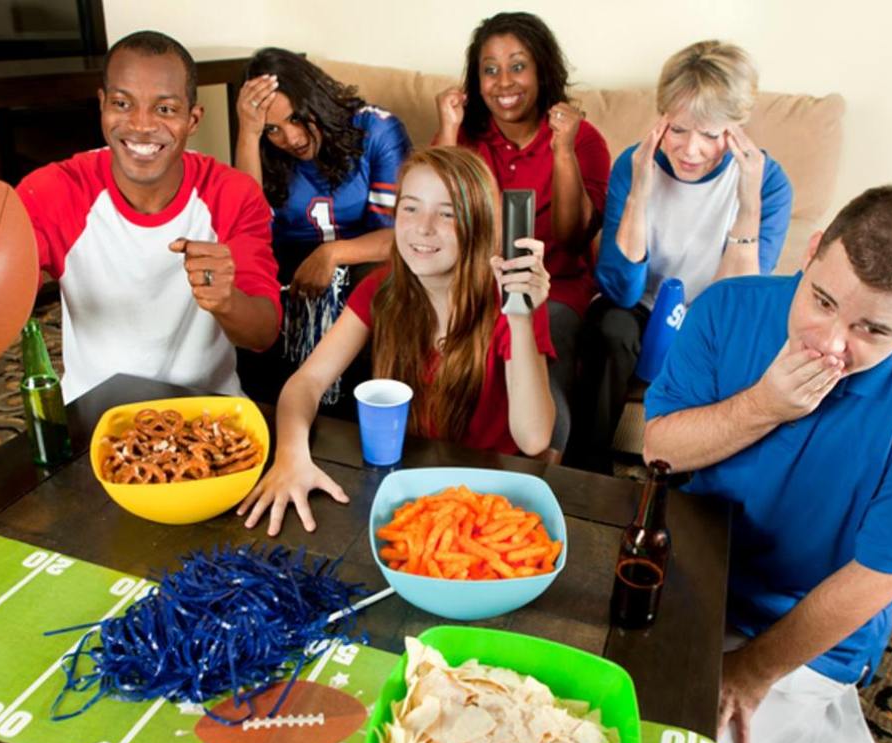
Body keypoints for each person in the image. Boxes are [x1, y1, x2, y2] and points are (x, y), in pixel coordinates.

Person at [643, 185, 892, 743]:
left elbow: (884, 575)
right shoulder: (728, 307)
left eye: (872, 331)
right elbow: (660, 448)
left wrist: (752, 671)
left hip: (806, 635)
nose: (831, 344)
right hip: (692, 580)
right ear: (810, 252)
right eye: (823, 300)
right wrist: (763, 405)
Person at [239, 147, 556, 536]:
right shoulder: (381, 289)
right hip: (407, 488)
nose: (423, 228)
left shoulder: (510, 302)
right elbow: (306, 383)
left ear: (479, 224)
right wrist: (290, 457)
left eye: (447, 213)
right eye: (410, 208)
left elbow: (534, 436)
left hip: (489, 497)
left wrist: (520, 318)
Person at [15, 31, 281, 402]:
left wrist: (227, 300)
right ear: (102, 105)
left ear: (193, 118)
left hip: (209, 413)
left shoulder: (233, 194)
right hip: (95, 417)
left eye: (165, 109)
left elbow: (263, 333)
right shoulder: (52, 190)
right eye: (123, 104)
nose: (141, 125)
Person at [573, 40, 792, 471]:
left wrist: (747, 205)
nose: (691, 150)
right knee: (611, 327)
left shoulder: (768, 183)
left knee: (732, 354)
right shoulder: (634, 164)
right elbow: (618, 289)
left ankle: (688, 486)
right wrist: (639, 191)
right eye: (678, 130)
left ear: (736, 127)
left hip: (711, 315)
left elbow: (740, 302)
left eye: (711, 135)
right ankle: (586, 474)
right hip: (640, 307)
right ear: (662, 119)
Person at [434, 11, 609, 456]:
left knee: (543, 401)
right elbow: (432, 205)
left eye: (517, 65)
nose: (503, 82)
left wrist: (562, 149)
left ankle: (547, 479)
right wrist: (450, 128)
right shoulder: (467, 135)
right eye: (489, 69)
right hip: (473, 284)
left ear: (541, 69)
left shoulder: (582, 138)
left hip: (555, 289)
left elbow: (573, 236)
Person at [233, 48, 411, 406]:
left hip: (362, 258)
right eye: (273, 129)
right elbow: (247, 227)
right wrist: (250, 134)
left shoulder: (376, 129)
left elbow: (404, 235)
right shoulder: (264, 149)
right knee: (246, 282)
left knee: (380, 283)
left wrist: (332, 253)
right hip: (287, 267)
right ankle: (264, 417)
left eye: (297, 118)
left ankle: (359, 412)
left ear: (315, 96)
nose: (291, 138)